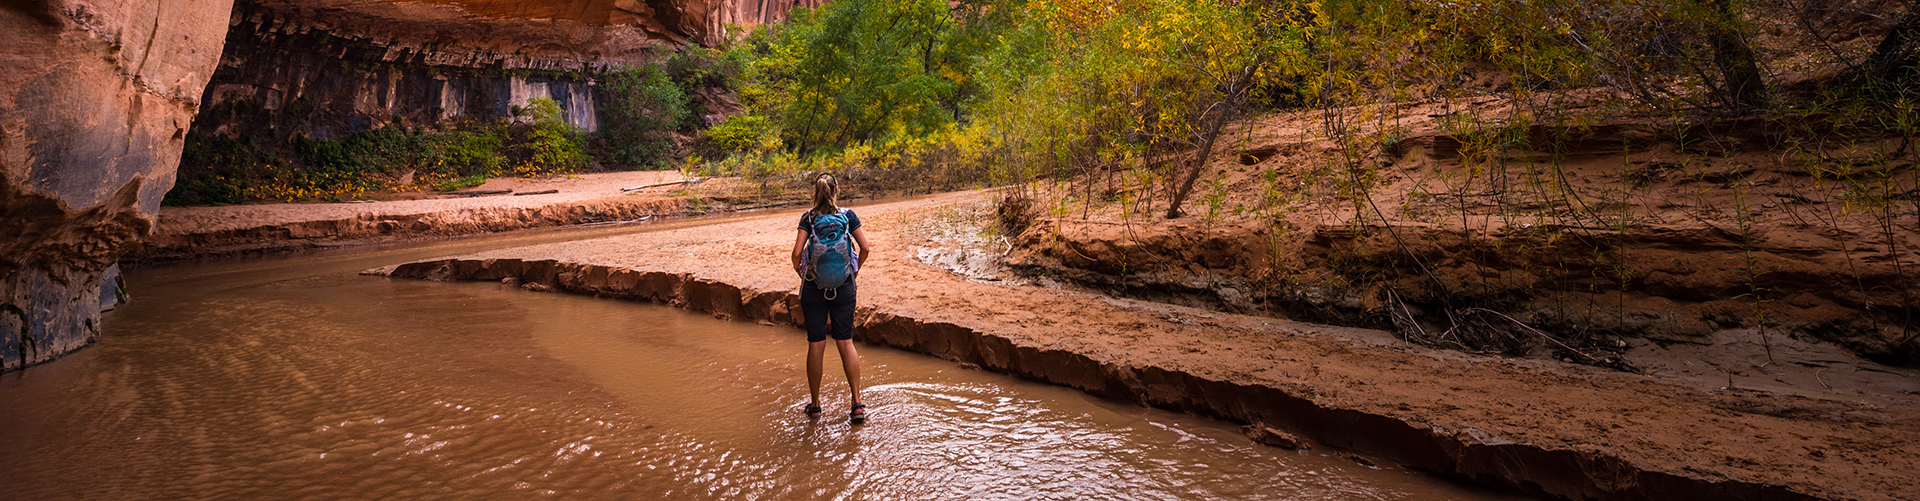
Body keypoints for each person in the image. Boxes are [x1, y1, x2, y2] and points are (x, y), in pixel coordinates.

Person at [792, 173, 872, 424]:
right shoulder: (848, 216)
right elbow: (866, 248)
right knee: (846, 342)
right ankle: (856, 404)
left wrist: (803, 274)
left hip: (814, 288)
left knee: (816, 345)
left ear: (816, 192)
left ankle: (815, 406)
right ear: (837, 190)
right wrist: (853, 271)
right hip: (845, 286)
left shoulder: (808, 217)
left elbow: (796, 254)